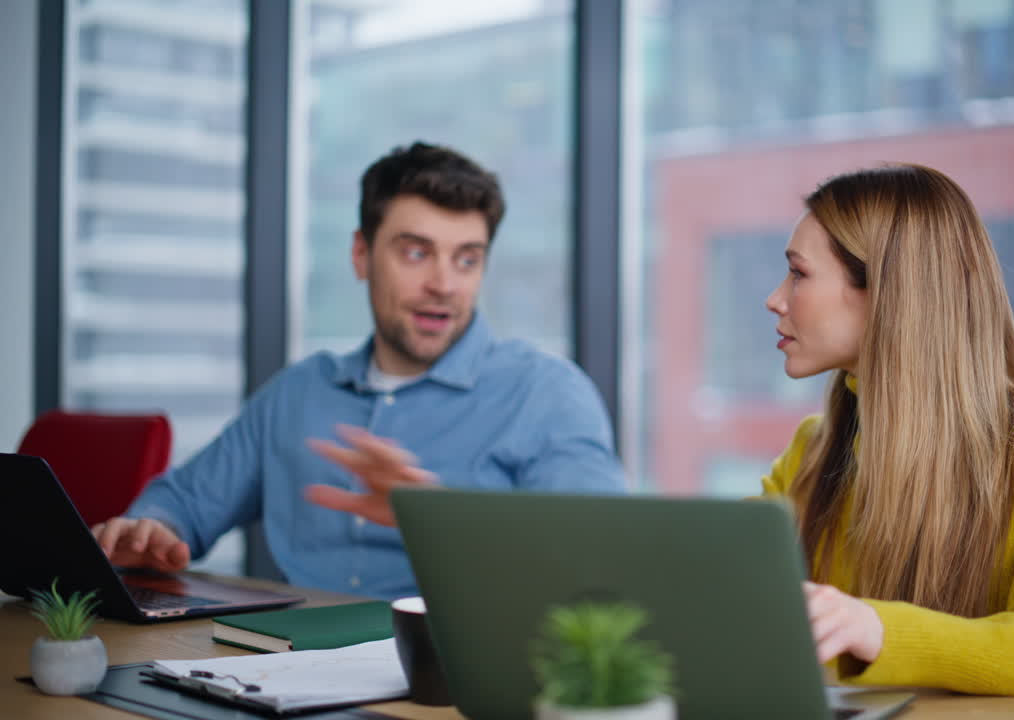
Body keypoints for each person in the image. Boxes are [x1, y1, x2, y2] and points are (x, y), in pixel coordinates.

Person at [92, 142, 625, 600]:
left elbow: (602, 566)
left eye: (466, 259)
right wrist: (153, 528)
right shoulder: (299, 392)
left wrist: (443, 526)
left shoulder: (546, 394)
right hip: (288, 674)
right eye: (417, 253)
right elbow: (186, 499)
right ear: (361, 254)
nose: (445, 283)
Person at [763, 164, 1014, 702]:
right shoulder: (811, 453)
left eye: (798, 273)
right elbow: (733, 587)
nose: (776, 298)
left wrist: (881, 632)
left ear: (886, 291)